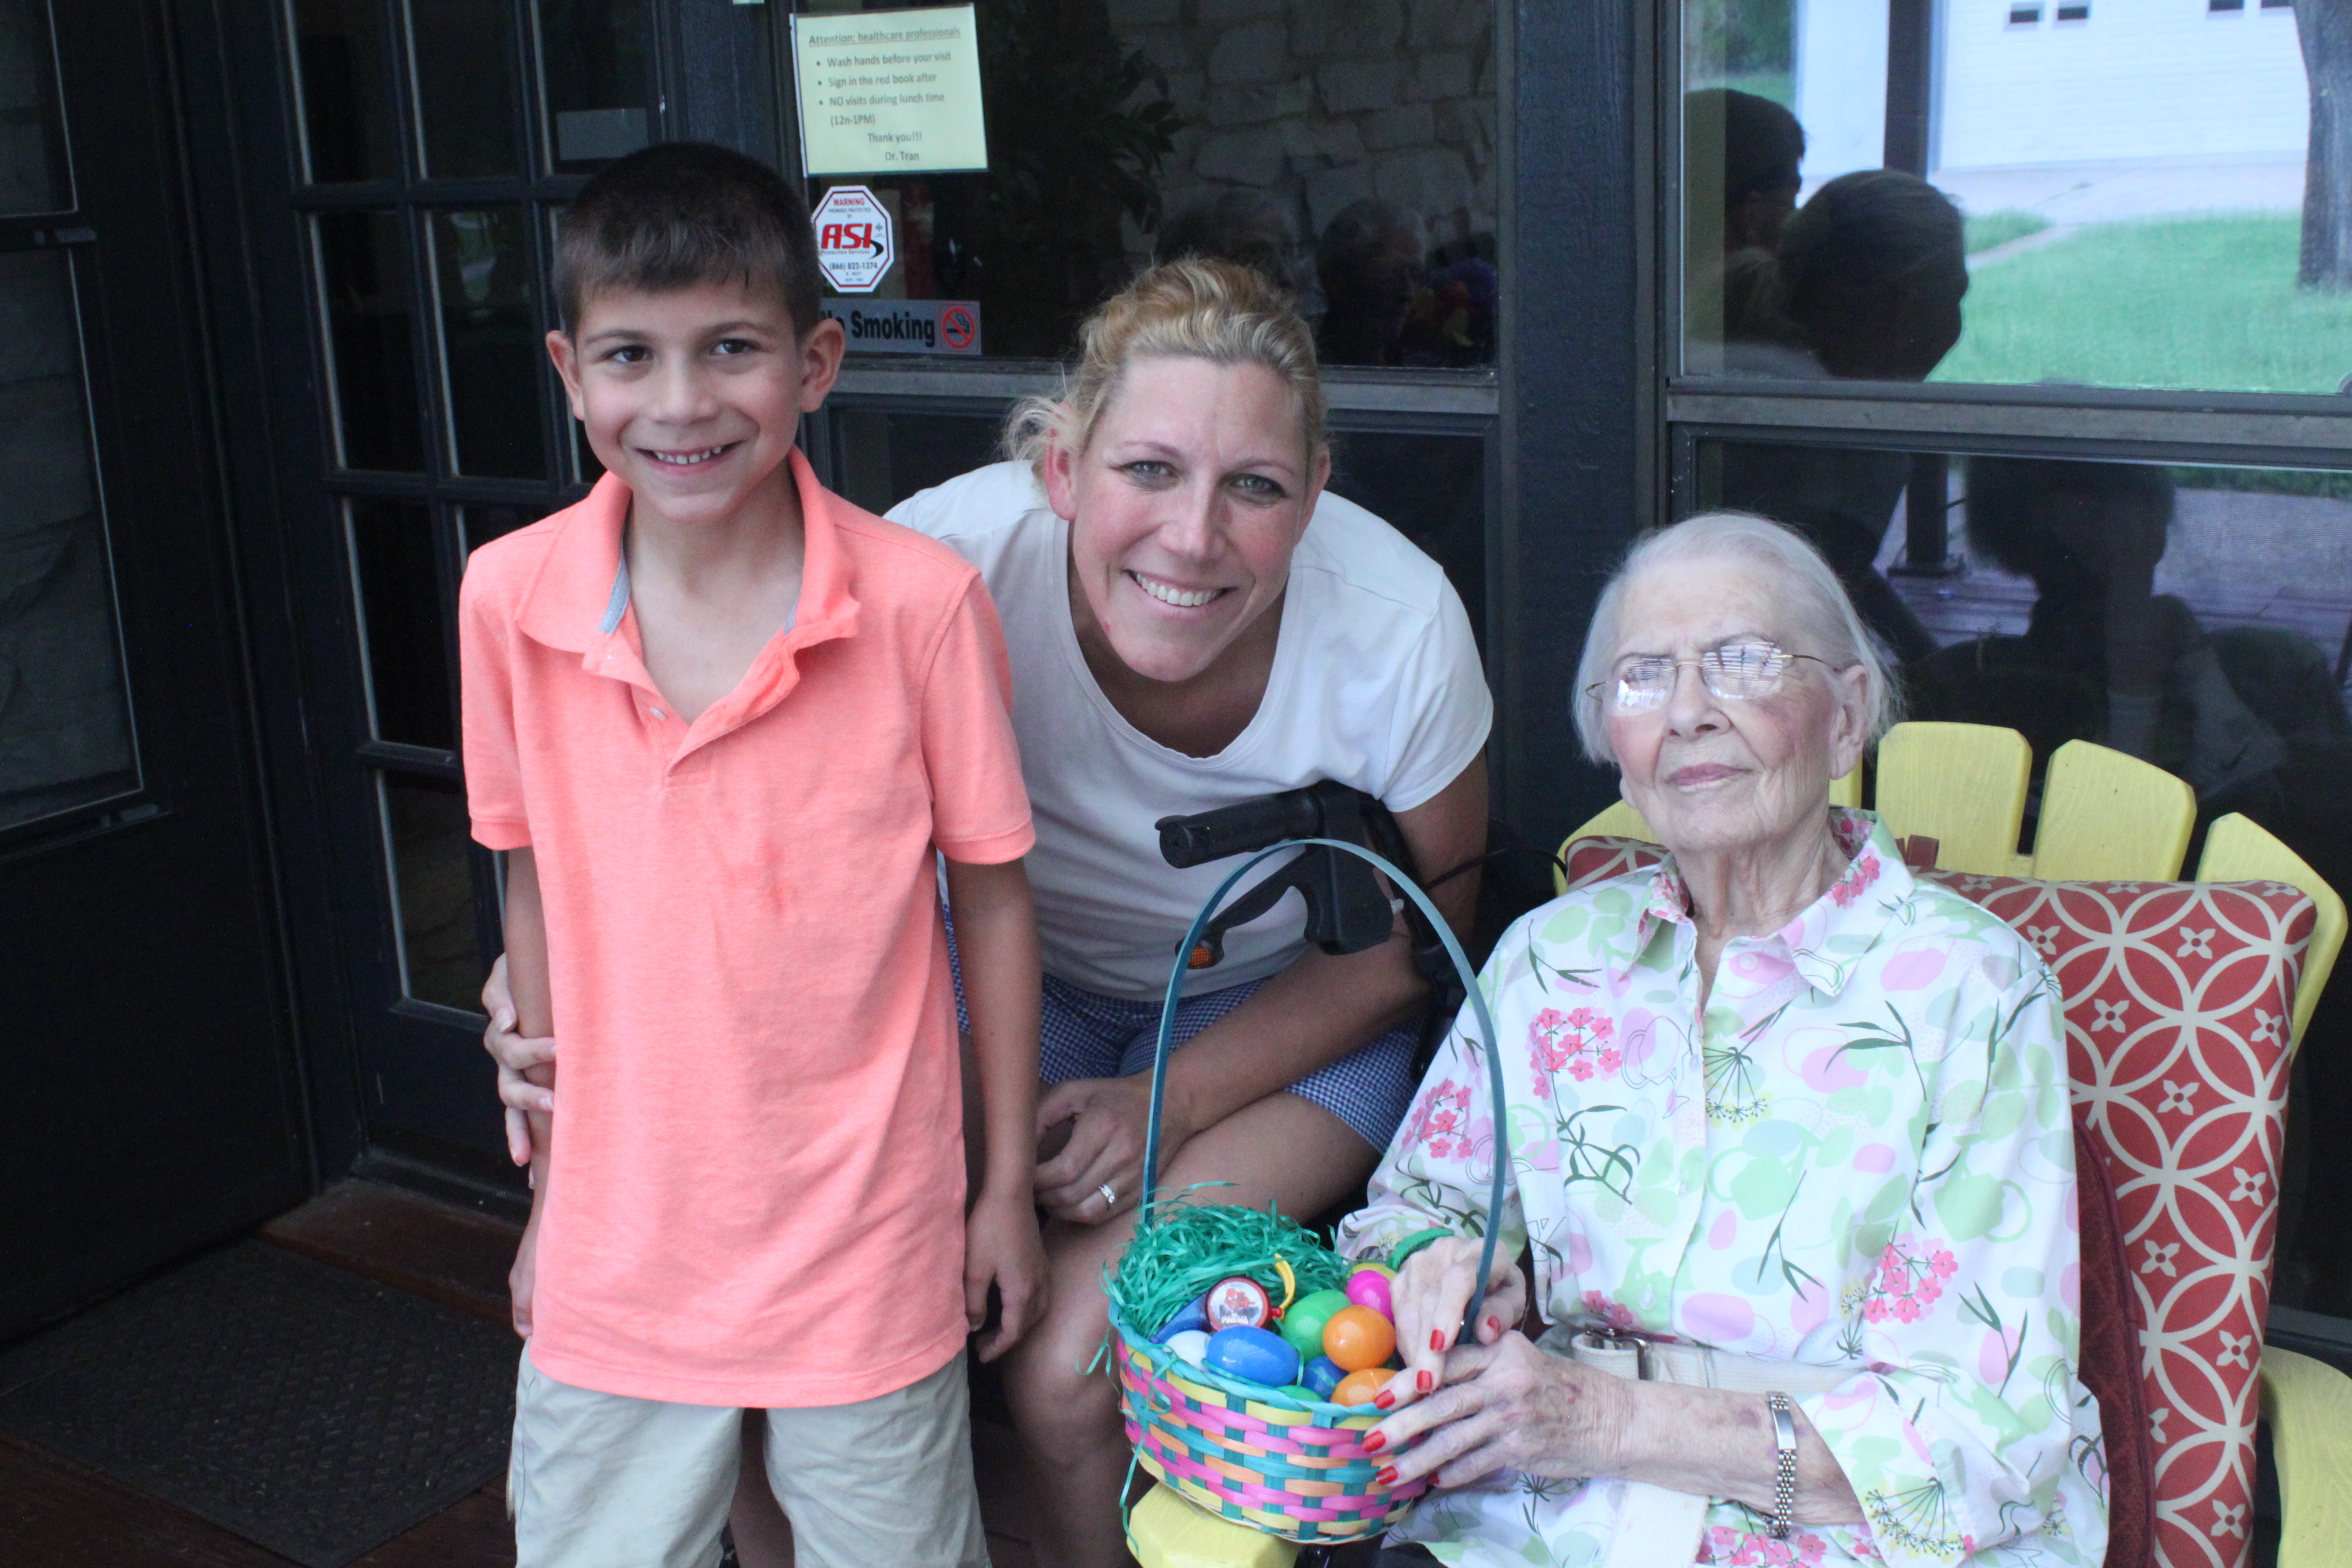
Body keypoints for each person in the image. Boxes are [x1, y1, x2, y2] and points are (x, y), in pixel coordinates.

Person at [484, 257, 1494, 1568]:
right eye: (1147, 470)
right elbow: (736, 835)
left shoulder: (1398, 623)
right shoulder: (943, 566)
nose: (1192, 535)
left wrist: (1165, 1100)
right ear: (1061, 470)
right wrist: (546, 979)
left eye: (1254, 486)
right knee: (773, 1283)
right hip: (1016, 979)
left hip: (1289, 1008)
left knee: (1073, 1362)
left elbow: (1417, 949)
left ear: (1314, 492)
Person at [460, 141, 1046, 1568]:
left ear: (816, 361)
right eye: (630, 355)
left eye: (731, 347)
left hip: (864, 1240)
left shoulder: (921, 605)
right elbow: (530, 874)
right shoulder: (508, 597)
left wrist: (999, 1192)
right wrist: (550, 1202)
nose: (680, 402)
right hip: (621, 1249)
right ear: (569, 372)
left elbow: (992, 903)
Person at [1336, 512, 2107, 1567]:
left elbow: (1983, 1430)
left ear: (1846, 716)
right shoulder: (1550, 961)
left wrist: (1602, 1418)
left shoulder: (1971, 990)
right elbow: (1414, 1209)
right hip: (1533, 1525)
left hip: (1839, 1540)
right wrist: (1448, 1264)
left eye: (1742, 661)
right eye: (1644, 677)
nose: (1689, 711)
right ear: (1616, 749)